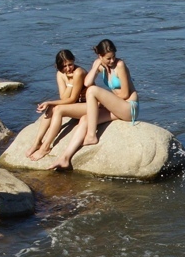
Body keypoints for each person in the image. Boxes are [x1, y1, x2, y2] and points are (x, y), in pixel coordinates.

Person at [53, 39, 138, 169]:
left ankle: (92, 136)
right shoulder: (100, 64)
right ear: (100, 56)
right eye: (108, 58)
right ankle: (65, 158)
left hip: (129, 107)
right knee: (85, 119)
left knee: (92, 91)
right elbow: (87, 82)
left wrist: (106, 101)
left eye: (113, 57)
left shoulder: (119, 65)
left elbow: (125, 94)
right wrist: (96, 67)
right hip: (117, 107)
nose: (112, 61)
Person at [25, 50, 88, 161]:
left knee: (57, 109)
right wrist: (70, 83)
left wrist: (49, 101)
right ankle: (37, 142)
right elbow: (64, 98)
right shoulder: (60, 74)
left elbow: (72, 99)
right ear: (58, 66)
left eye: (70, 64)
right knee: (52, 107)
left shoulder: (78, 72)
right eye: (64, 66)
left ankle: (46, 146)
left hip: (88, 106)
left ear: (74, 61)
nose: (69, 68)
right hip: (77, 105)